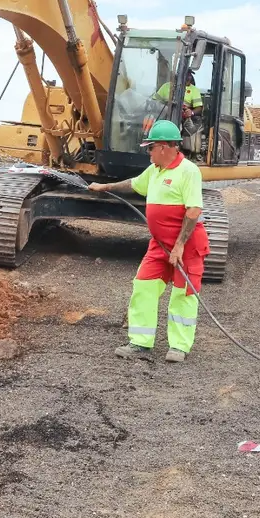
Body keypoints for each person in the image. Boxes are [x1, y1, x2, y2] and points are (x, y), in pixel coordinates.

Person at [90, 119, 208, 362]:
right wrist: (105, 187)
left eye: (150, 147)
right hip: (159, 245)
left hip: (185, 246)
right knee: (143, 286)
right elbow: (134, 184)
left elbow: (193, 211)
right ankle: (140, 342)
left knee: (182, 294)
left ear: (164, 147)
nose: (148, 152)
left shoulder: (188, 171)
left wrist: (178, 247)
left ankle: (179, 347)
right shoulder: (154, 171)